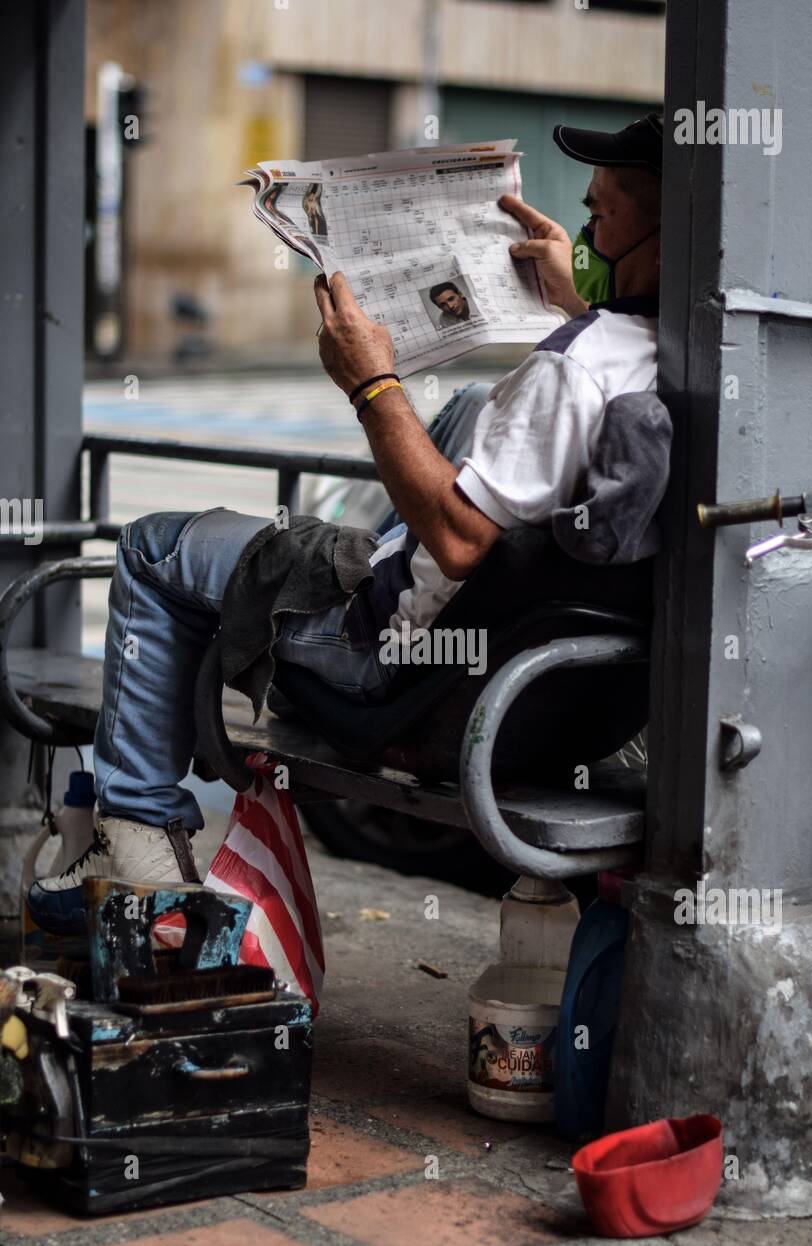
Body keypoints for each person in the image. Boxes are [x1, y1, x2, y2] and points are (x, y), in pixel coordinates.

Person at [28, 113, 664, 929]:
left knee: (151, 547)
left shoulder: (572, 371)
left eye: (597, 217)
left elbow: (464, 541)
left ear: (656, 231)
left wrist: (373, 384)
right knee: (471, 402)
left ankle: (142, 846)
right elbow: (601, 363)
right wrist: (573, 294)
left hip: (390, 655)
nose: (580, 233)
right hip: (540, 676)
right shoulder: (678, 351)